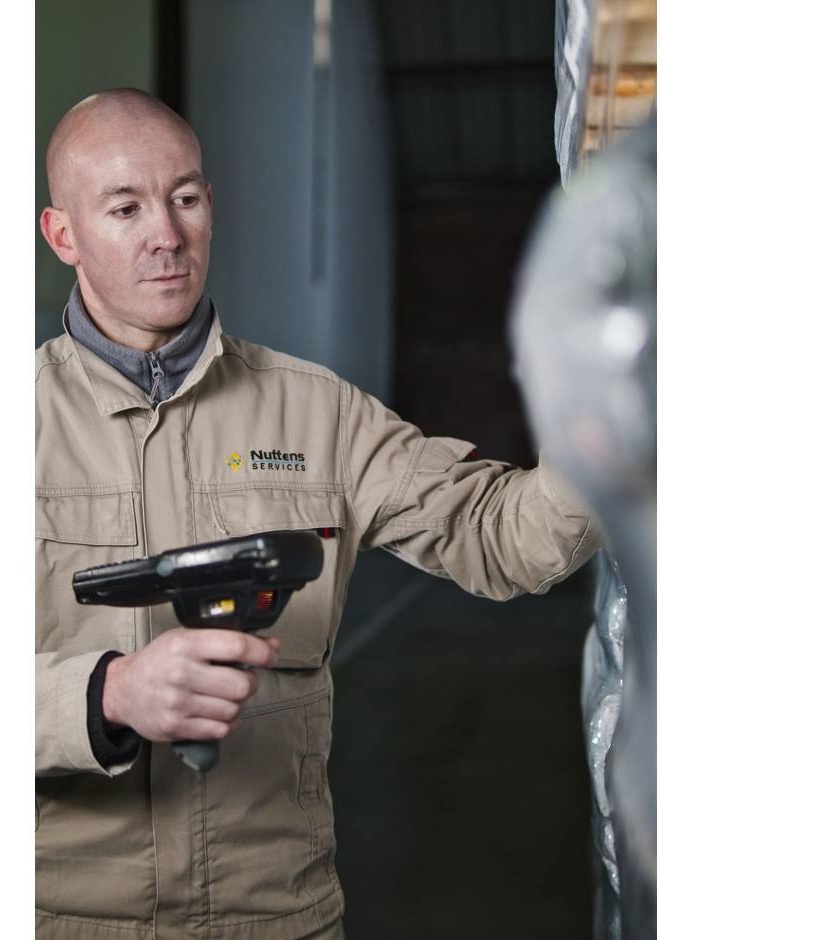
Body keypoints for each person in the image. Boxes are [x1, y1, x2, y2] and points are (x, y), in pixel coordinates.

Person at [36, 88, 602, 940]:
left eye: (185, 198)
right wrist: (107, 692)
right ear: (64, 235)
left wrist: (606, 424)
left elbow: (505, 541)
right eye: (125, 209)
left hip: (278, 917)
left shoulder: (317, 413)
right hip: (68, 919)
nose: (167, 234)